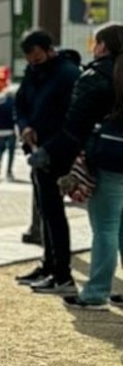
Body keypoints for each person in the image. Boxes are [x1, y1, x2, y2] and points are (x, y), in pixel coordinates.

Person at [45, 23, 123, 310]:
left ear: (103, 46)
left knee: (105, 227)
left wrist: (56, 154)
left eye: (96, 42)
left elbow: (75, 123)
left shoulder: (96, 75)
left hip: (109, 156)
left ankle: (96, 292)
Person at [13, 29, 81, 294]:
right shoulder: (32, 73)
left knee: (54, 214)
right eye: (30, 60)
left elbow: (73, 119)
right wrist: (25, 127)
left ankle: (62, 273)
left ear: (50, 50)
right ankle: (49, 265)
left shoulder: (67, 75)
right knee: (45, 211)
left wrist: (50, 148)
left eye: (38, 58)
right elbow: (20, 104)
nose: (34, 63)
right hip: (37, 149)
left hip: (57, 152)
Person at [0, 89, 17, 180]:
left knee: (0, 149)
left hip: (0, 131)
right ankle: (9, 171)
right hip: (11, 131)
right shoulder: (14, 106)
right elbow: (17, 118)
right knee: (11, 152)